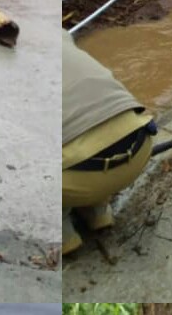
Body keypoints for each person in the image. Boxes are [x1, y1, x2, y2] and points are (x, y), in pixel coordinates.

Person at [62, 31, 157, 256]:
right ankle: (98, 211)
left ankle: (63, 234)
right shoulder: (58, 35)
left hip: (80, 177)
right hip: (141, 147)